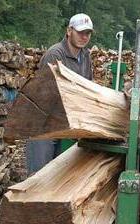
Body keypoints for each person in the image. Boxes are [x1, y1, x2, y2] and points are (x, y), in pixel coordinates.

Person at [26, 13, 94, 173]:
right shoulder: (55, 54)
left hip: (66, 122)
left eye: (88, 33)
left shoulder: (85, 56)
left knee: (58, 175)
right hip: (44, 123)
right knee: (39, 175)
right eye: (80, 32)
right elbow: (48, 92)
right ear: (69, 31)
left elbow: (88, 88)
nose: (84, 37)